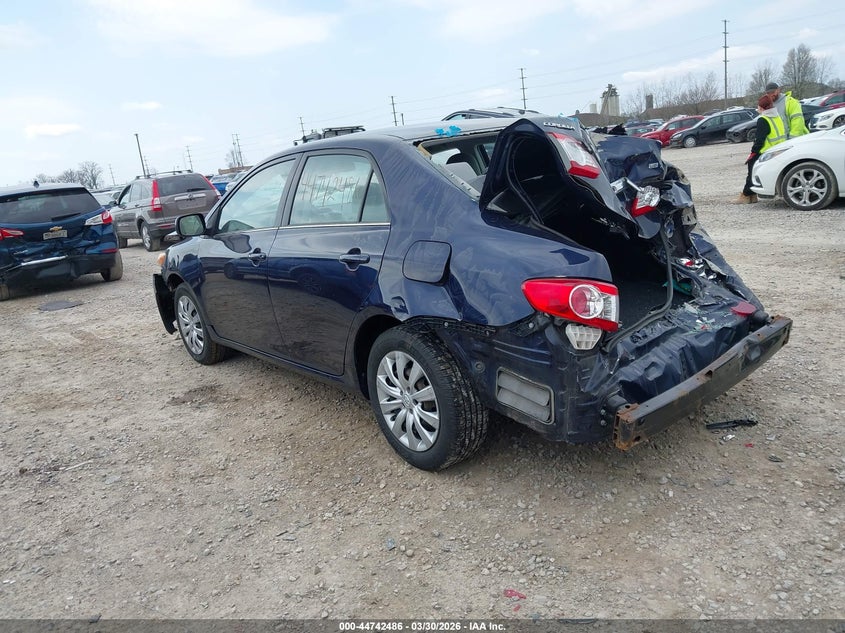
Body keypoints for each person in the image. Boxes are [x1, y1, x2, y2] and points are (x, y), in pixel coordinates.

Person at [735, 94, 787, 204]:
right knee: (753, 169)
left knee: (752, 168)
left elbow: (760, 139)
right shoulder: (777, 117)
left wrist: (754, 151)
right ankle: (752, 195)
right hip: (779, 149)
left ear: (761, 107)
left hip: (766, 151)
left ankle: (746, 195)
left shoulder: (763, 120)